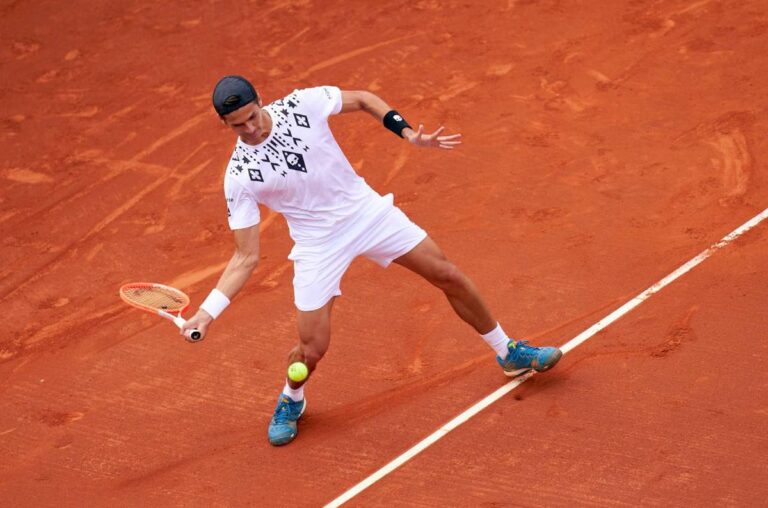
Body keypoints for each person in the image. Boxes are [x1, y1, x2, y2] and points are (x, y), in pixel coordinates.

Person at [181, 76, 562, 446]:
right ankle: (291, 398)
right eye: (237, 125)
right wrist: (206, 313)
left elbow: (363, 98)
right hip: (318, 244)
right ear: (223, 124)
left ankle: (508, 351)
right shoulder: (239, 177)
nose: (249, 128)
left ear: (260, 100)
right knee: (311, 350)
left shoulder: (302, 104)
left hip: (367, 213)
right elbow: (245, 256)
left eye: (251, 116)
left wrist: (408, 133)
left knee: (447, 274)